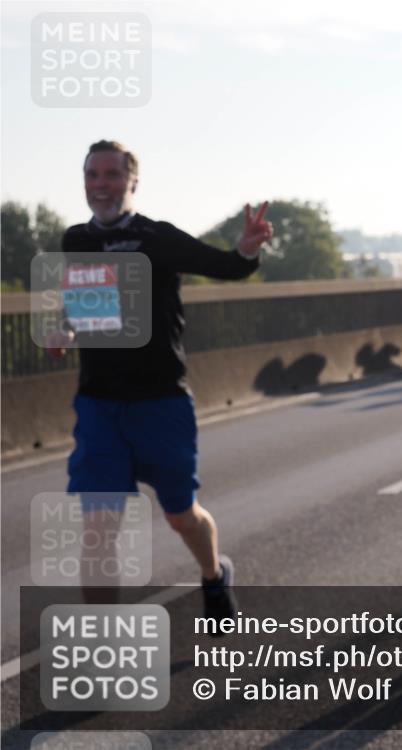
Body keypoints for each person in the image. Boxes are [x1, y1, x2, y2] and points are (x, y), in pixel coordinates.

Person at [59, 140, 272, 622]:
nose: (100, 185)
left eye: (111, 175)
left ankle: (213, 574)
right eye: (92, 176)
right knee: (98, 527)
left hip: (160, 402)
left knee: (181, 516)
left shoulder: (158, 238)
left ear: (132, 181)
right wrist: (65, 331)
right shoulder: (75, 240)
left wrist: (246, 248)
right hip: (99, 405)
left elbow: (226, 266)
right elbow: (80, 308)